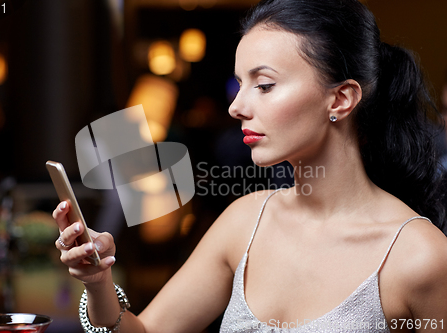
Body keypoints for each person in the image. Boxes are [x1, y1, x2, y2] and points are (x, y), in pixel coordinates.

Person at [53, 0, 447, 332]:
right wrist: (98, 280)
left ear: (341, 99)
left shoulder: (418, 257)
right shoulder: (245, 222)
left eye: (264, 85)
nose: (236, 106)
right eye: (240, 83)